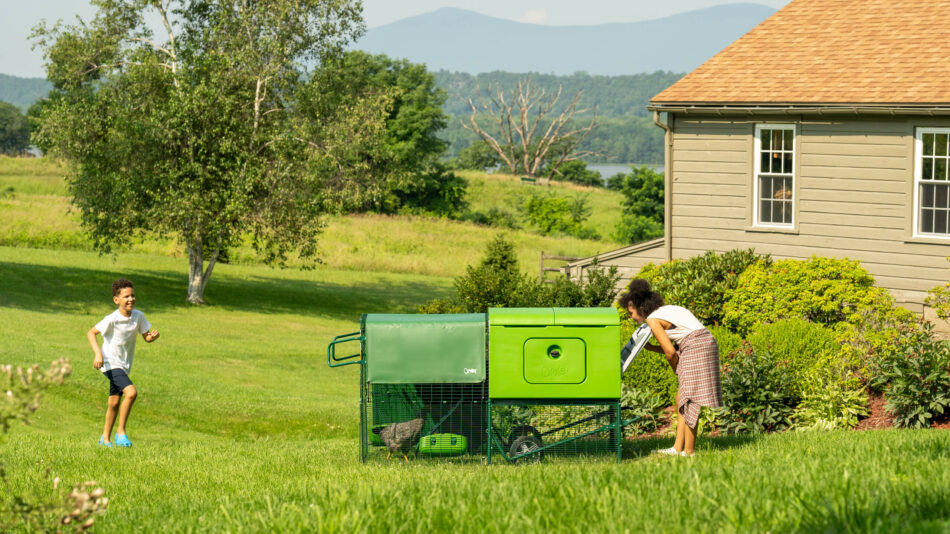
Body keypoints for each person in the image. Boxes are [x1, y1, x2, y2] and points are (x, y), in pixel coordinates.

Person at [619, 279, 722, 457]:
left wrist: (677, 369)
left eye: (631, 313)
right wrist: (651, 348)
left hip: (696, 346)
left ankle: (689, 452)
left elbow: (670, 353)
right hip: (702, 342)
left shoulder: (652, 320)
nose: (632, 317)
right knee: (680, 397)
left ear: (640, 308)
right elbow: (675, 347)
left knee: (689, 400)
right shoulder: (667, 310)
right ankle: (677, 448)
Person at [87, 278, 160, 447]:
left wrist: (152, 337)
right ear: (116, 300)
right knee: (131, 393)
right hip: (110, 363)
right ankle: (121, 433)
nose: (131, 299)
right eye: (126, 296)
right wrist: (98, 354)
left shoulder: (138, 316)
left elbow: (146, 336)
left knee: (113, 402)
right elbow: (91, 333)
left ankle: (104, 440)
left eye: (132, 295)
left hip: (124, 365)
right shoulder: (112, 319)